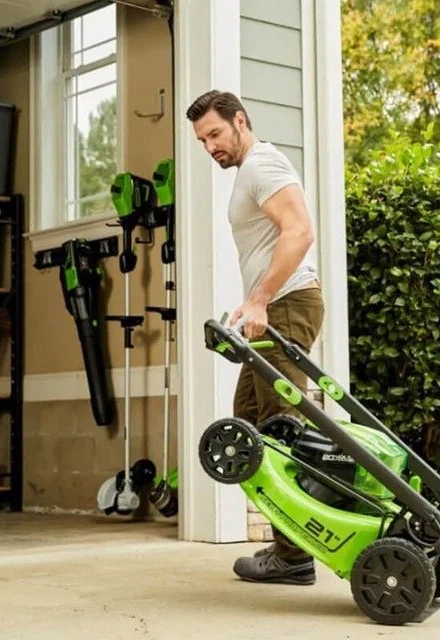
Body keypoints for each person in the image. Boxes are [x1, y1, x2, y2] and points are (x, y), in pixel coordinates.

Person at [187, 90, 324, 585]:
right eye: (203, 141)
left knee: (281, 430)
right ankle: (290, 545)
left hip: (287, 305)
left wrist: (261, 299)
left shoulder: (262, 164)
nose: (211, 147)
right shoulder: (250, 171)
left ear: (240, 121)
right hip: (274, 309)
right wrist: (250, 304)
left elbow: (299, 231)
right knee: (248, 427)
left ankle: (296, 554)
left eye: (215, 134)